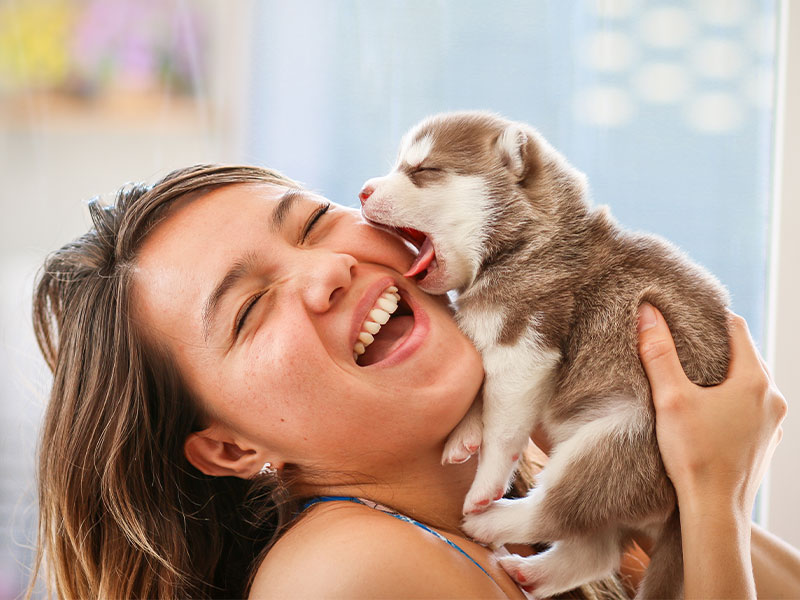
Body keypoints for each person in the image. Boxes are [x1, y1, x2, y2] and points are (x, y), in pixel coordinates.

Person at [28, 164, 797, 599]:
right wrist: (712, 489)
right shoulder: (342, 577)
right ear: (230, 447)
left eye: (312, 223)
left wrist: (643, 478)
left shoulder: (507, 508)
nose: (329, 269)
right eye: (252, 309)